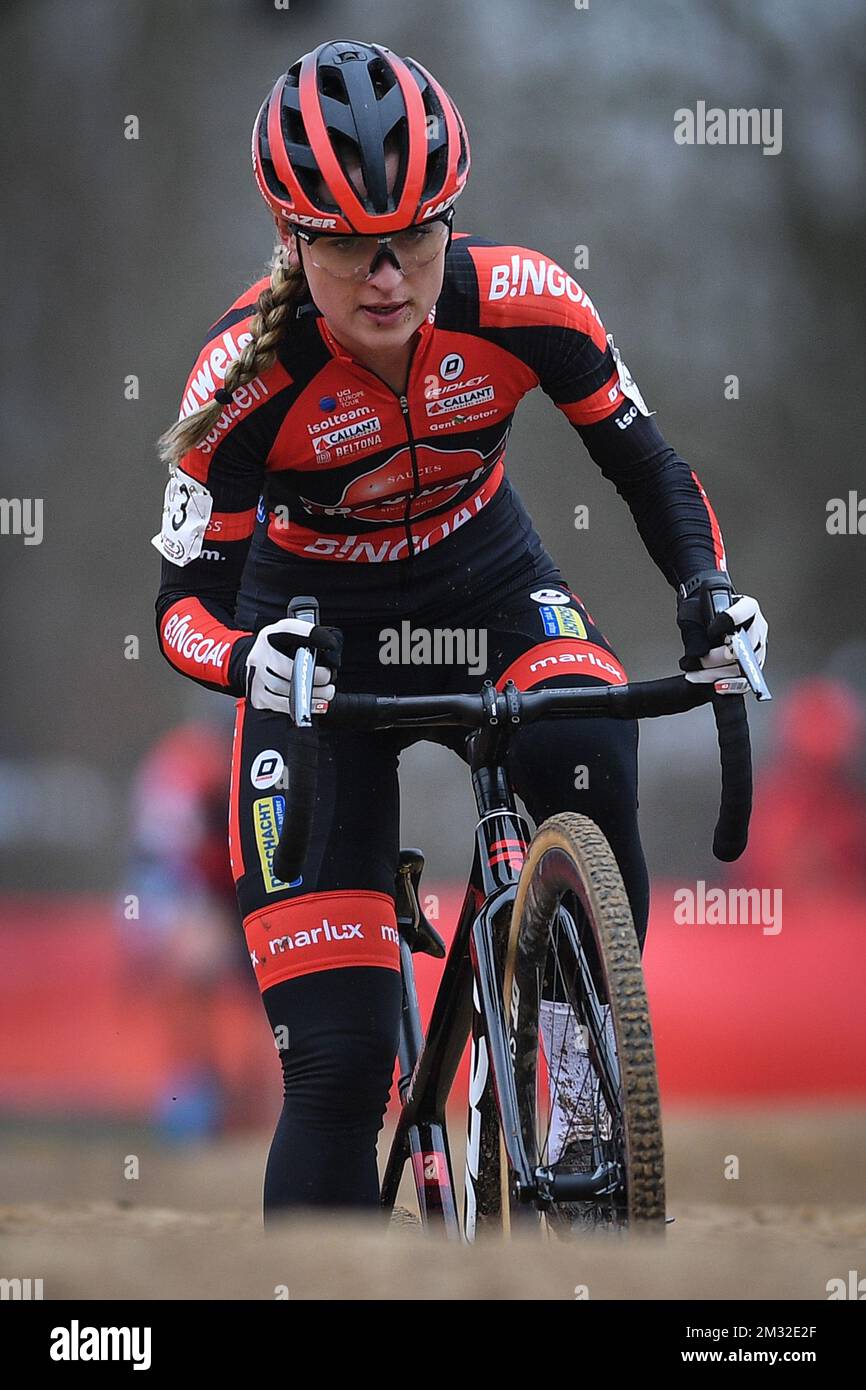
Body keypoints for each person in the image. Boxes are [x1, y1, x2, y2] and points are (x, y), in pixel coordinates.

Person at [152, 39, 768, 1220]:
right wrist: (246, 660)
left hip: (487, 580)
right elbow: (179, 608)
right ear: (294, 242)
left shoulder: (522, 299)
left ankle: (580, 1065)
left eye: (417, 234)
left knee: (585, 735)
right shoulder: (240, 379)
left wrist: (707, 591)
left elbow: (648, 466)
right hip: (309, 628)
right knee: (333, 1069)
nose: (388, 276)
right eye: (347, 245)